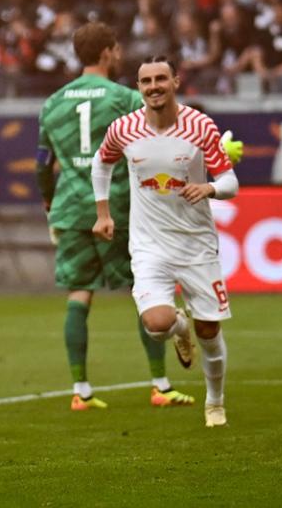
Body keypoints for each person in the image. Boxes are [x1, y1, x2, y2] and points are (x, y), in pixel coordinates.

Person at [37, 22, 195, 411]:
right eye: (117, 48)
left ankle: (81, 391)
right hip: (119, 209)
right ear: (107, 52)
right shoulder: (126, 99)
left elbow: (43, 163)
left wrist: (48, 200)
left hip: (71, 209)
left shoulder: (53, 103)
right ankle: (160, 384)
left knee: (79, 295)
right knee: (145, 291)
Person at [93, 56, 238, 428]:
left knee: (210, 330)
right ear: (139, 88)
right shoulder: (124, 129)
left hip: (196, 244)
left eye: (161, 78)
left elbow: (230, 181)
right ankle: (178, 328)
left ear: (175, 81)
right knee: (156, 324)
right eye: (146, 81)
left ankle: (215, 402)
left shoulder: (199, 126)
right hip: (149, 245)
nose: (153, 86)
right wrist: (103, 212)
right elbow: (101, 162)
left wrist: (208, 187)